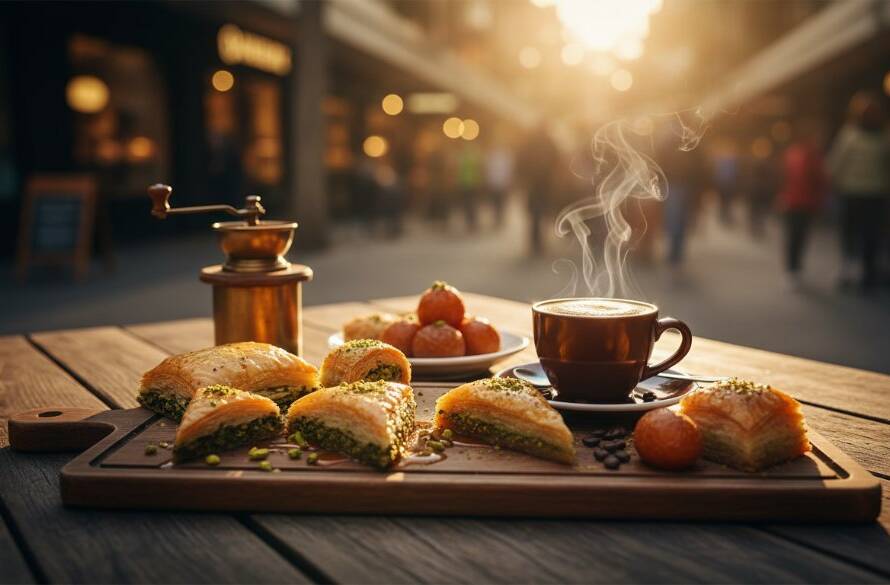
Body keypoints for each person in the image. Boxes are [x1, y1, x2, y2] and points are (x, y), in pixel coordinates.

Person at [827, 92, 890, 289]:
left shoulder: (878, 136)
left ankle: (860, 272)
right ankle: (856, 270)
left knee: (862, 234)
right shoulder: (854, 135)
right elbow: (836, 163)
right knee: (859, 233)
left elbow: (835, 164)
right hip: (861, 193)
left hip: (866, 193)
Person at [777, 122, 826, 289]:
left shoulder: (794, 154)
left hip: (798, 201)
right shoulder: (808, 155)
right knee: (797, 235)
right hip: (798, 201)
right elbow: (820, 179)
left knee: (797, 235)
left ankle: (793, 268)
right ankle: (793, 269)